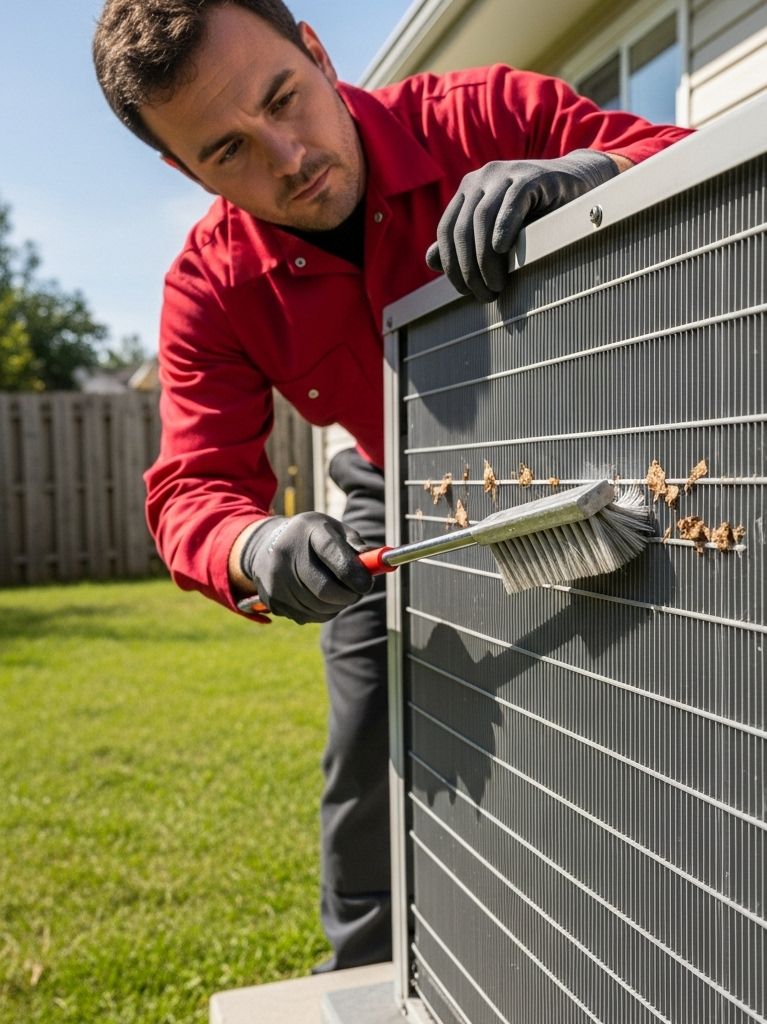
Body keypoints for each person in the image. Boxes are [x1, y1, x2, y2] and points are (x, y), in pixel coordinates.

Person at [92, 0, 690, 972]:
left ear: (315, 52)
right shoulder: (209, 288)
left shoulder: (487, 116)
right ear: (183, 171)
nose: (286, 157)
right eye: (227, 152)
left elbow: (703, 158)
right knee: (368, 747)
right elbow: (192, 488)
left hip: (589, 449)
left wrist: (601, 180)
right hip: (391, 487)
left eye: (285, 97)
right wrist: (254, 546)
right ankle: (368, 977)